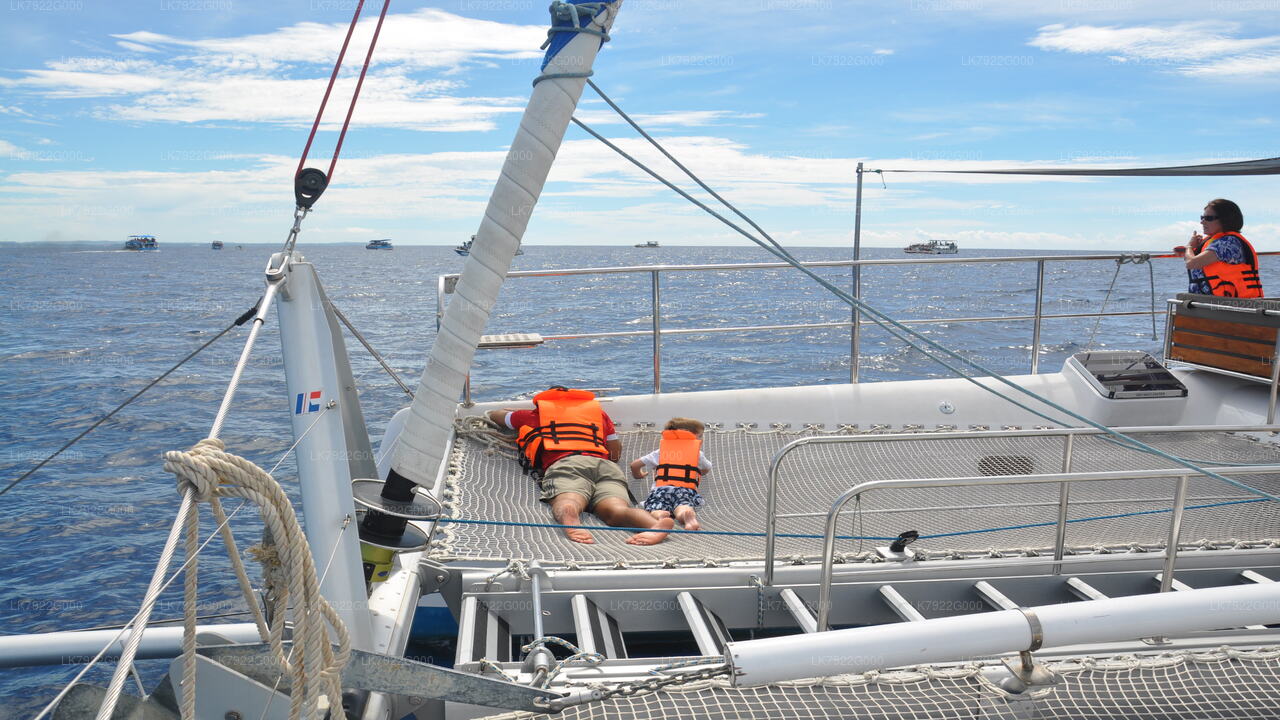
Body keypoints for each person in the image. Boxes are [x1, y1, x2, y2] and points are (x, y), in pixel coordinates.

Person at [487, 386, 673, 546]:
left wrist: (514, 410)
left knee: (570, 499)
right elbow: (615, 452)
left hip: (567, 464)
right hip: (605, 465)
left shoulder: (534, 415)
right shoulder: (599, 415)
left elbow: (496, 416)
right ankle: (654, 526)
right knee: (617, 509)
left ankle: (570, 514)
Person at [630, 417, 712, 531]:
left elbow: (634, 465)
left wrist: (637, 475)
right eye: (700, 436)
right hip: (685, 490)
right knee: (683, 506)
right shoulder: (698, 454)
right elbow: (707, 468)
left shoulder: (660, 452)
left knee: (655, 508)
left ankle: (660, 515)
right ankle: (685, 516)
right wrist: (698, 472)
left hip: (660, 491)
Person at [1175, 199, 1264, 298]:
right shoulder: (1215, 242)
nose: (1202, 222)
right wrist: (1190, 249)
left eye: (1208, 218)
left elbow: (1192, 263)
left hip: (1228, 307)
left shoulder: (1228, 242)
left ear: (1225, 220)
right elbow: (1192, 259)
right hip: (1207, 305)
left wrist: (1189, 247)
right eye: (1202, 217)